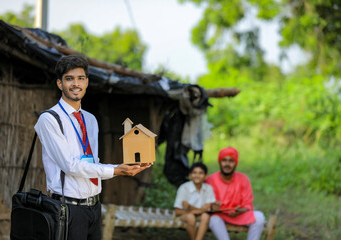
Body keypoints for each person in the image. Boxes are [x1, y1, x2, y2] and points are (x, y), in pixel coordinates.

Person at [34, 55, 152, 240]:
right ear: (59, 84)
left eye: (80, 78)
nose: (76, 84)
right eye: (69, 79)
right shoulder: (49, 119)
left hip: (94, 207)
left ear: (87, 82)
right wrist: (116, 171)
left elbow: (93, 162)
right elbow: (70, 166)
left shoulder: (90, 119)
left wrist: (123, 167)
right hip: (68, 209)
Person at [205, 147, 265, 240]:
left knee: (259, 217)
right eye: (224, 160)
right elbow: (206, 203)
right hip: (220, 216)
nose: (227, 164)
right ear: (220, 162)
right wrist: (213, 207)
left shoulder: (243, 179)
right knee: (213, 220)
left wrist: (240, 211)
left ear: (235, 163)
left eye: (231, 161)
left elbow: (247, 203)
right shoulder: (210, 180)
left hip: (239, 215)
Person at [174, 162, 216, 240]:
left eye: (200, 173)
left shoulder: (208, 188)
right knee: (191, 217)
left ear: (205, 176)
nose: (197, 175)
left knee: (206, 216)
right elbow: (177, 211)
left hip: (198, 215)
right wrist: (195, 211)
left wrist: (190, 207)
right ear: (190, 175)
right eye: (194, 173)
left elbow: (208, 207)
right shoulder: (184, 188)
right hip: (185, 216)